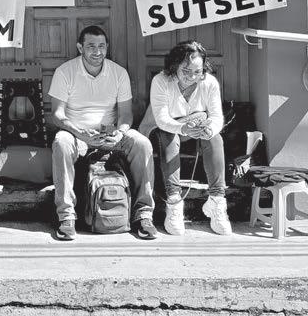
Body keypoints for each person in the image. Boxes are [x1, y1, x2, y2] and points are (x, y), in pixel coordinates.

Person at [49, 25, 157, 241]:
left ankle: (144, 214)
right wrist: (79, 133)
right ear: (80, 47)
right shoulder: (65, 72)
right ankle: (66, 216)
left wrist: (120, 133)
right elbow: (57, 114)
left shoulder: (118, 73)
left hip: (111, 135)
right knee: (61, 141)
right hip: (78, 136)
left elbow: (126, 115)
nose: (97, 52)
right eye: (91, 46)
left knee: (142, 143)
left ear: (107, 47)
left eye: (101, 46)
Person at [138, 40, 232, 236]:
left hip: (192, 131)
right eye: (186, 71)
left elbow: (216, 117)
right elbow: (162, 120)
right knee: (168, 135)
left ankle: (217, 201)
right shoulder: (161, 81)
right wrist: (183, 128)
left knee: (215, 138)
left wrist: (209, 130)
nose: (192, 76)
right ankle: (174, 201)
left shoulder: (209, 83)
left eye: (197, 71)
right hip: (160, 131)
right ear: (175, 66)